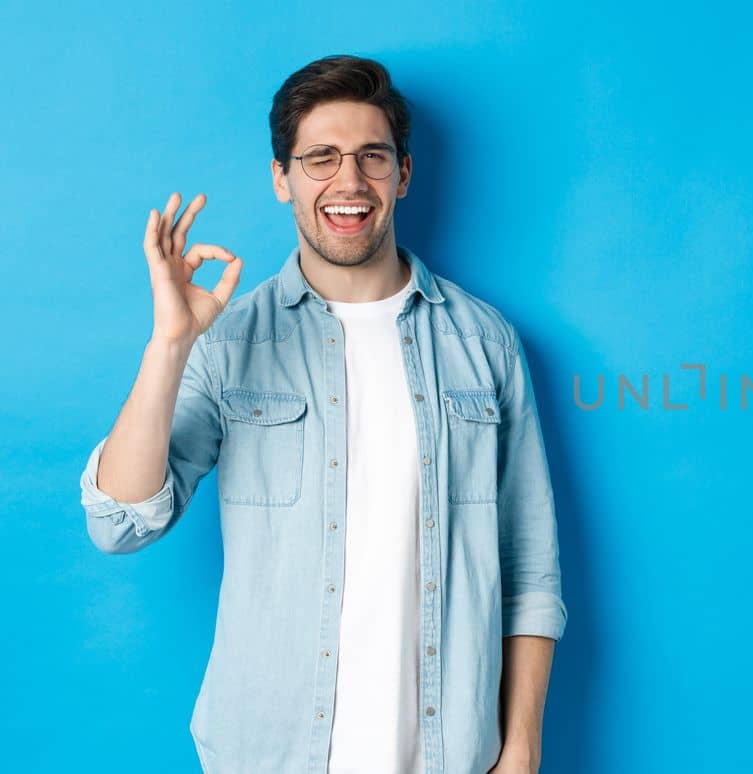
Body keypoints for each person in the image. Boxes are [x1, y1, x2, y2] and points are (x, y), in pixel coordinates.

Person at [76, 54, 566, 774]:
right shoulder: (229, 342)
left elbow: (529, 568)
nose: (349, 183)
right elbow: (117, 523)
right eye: (320, 159)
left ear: (402, 175)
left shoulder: (483, 341)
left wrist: (521, 749)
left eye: (372, 157)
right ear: (282, 179)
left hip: (447, 755)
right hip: (269, 755)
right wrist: (171, 344)